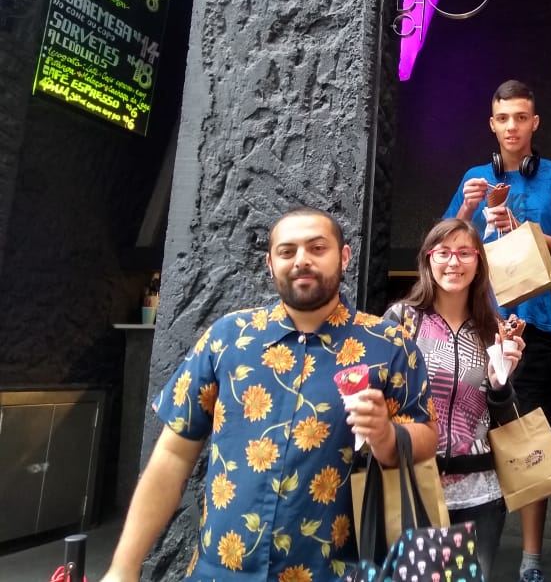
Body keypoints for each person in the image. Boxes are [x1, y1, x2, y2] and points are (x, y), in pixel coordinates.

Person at [99, 208, 437, 582]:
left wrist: (386, 436)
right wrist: (123, 567)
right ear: (270, 264)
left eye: (317, 248)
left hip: (334, 571)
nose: (301, 260)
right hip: (221, 573)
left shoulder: (388, 344)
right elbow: (172, 456)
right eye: (287, 251)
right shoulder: (227, 338)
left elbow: (427, 438)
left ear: (344, 257)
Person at [444, 79, 551, 582]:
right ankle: (467, 554)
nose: (512, 127)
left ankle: (530, 559)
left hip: (532, 327)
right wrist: (468, 210)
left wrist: (520, 229)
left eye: (521, 117)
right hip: (473, 325)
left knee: (529, 439)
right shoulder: (474, 177)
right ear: (492, 124)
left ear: (535, 123)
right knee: (466, 437)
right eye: (503, 118)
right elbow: (445, 245)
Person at [382, 218, 524, 577]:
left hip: (480, 492)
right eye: (443, 253)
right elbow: (380, 396)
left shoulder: (493, 329)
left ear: (478, 263)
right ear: (428, 259)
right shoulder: (402, 320)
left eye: (464, 253)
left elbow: (508, 420)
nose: (453, 262)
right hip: (414, 486)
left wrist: (500, 383)